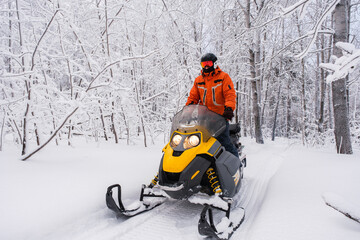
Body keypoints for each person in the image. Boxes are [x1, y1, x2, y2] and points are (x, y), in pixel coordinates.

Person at [186, 53, 239, 158]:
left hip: (220, 118)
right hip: (204, 119)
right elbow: (193, 98)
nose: (206, 66)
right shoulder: (199, 80)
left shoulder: (223, 77)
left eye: (208, 63)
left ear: (214, 64)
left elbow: (230, 94)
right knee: (197, 144)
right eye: (203, 64)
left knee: (225, 143)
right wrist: (187, 112)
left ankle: (236, 166)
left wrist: (228, 109)